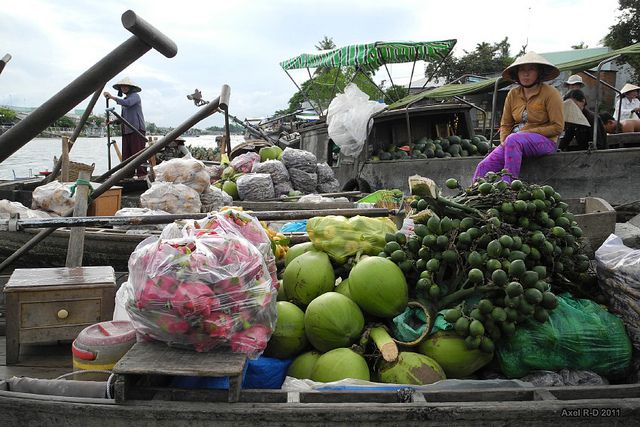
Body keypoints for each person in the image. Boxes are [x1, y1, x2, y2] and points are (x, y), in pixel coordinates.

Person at [473, 52, 563, 183]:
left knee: (514, 139)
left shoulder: (551, 93)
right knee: (484, 166)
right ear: (517, 73)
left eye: (531, 69)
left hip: (546, 142)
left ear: (539, 72)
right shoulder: (513, 94)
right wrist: (504, 143)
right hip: (514, 142)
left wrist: (525, 133)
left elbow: (557, 127)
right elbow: (506, 125)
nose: (526, 74)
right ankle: (472, 196)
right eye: (522, 70)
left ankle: (508, 187)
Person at [103, 77, 147, 177]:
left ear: (130, 88)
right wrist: (112, 122)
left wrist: (112, 97)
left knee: (138, 153)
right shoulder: (124, 100)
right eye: (122, 87)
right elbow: (122, 118)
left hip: (136, 130)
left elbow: (128, 104)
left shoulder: (135, 96)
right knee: (127, 155)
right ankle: (128, 174)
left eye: (126, 86)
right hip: (127, 130)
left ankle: (142, 175)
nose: (124, 88)